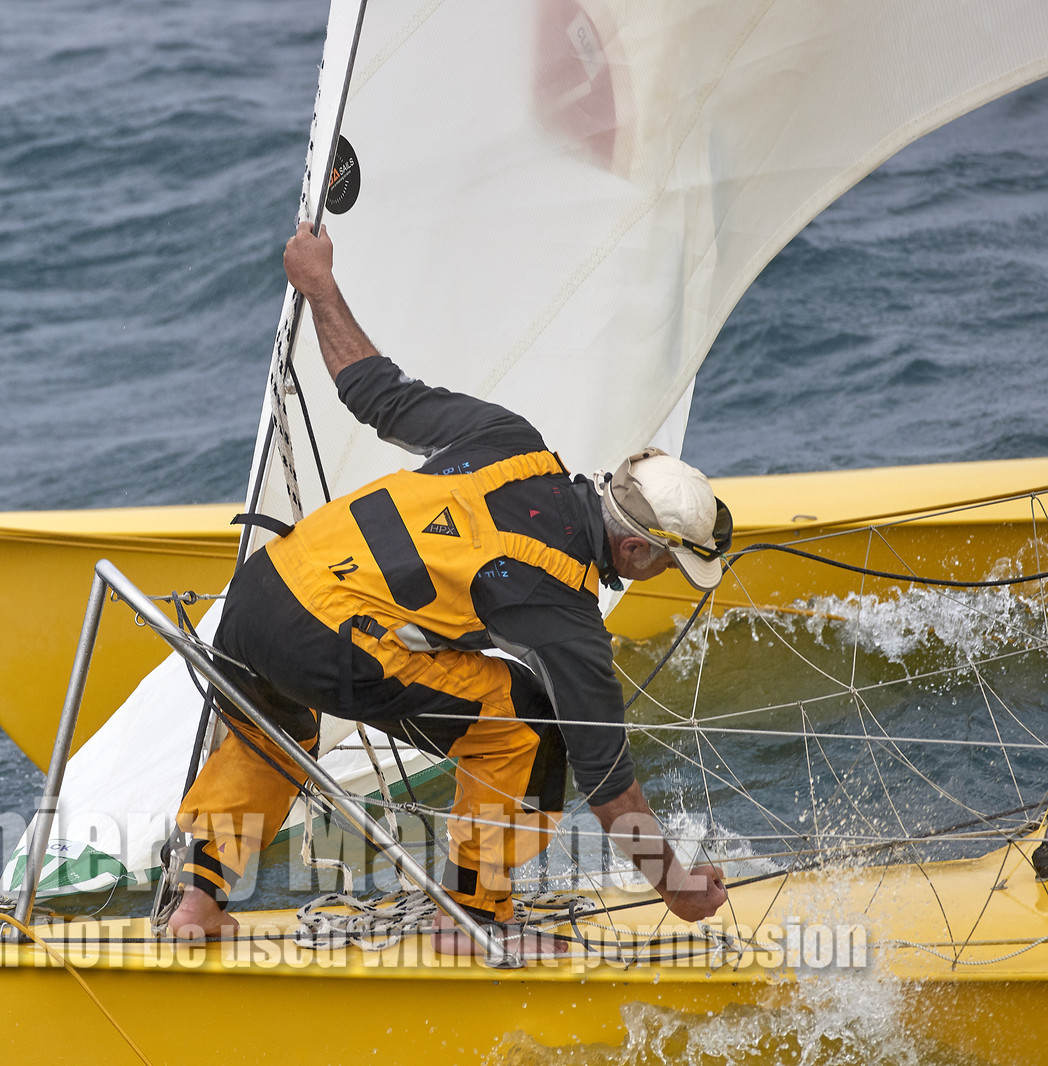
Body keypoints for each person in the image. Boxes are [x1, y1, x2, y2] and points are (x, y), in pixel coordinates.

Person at [168, 222, 731, 951]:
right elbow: (609, 781)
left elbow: (373, 390)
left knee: (272, 728)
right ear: (633, 546)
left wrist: (320, 285)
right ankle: (470, 918)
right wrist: (677, 889)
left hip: (255, 597)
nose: (663, 576)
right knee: (531, 725)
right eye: (667, 562)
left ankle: (198, 901)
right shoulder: (562, 606)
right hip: (327, 633)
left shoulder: (511, 442)